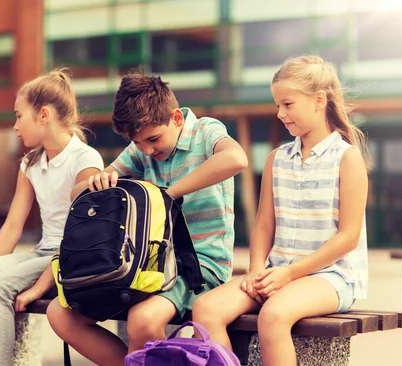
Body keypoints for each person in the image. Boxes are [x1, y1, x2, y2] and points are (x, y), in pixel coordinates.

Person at [46, 67, 248, 366]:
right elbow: (78, 193)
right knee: (59, 315)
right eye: (138, 143)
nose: (146, 150)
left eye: (153, 139)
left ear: (176, 118)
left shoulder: (205, 132)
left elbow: (237, 158)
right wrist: (96, 183)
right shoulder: (141, 149)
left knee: (142, 320)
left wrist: (170, 194)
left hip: (200, 267)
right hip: (148, 264)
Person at [192, 55, 369, 366]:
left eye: (287, 104)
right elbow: (263, 226)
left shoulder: (347, 158)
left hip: (330, 278)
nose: (280, 114)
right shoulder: (277, 158)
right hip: (276, 272)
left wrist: (288, 274)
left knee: (273, 315)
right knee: (206, 309)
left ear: (318, 100)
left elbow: (348, 237)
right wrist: (257, 269)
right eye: (277, 105)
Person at [0, 69, 104, 366]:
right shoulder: (31, 163)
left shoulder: (86, 160)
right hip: (41, 252)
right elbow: (12, 225)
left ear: (44, 115)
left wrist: (37, 288)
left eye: (19, 116)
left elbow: (83, 236)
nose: (15, 126)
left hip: (70, 258)